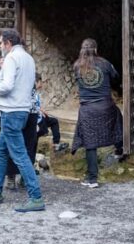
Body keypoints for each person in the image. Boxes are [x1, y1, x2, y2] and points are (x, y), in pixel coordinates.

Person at [0, 29, 44, 212]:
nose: (0, 46)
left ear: (8, 43)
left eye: (1, 42)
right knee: (2, 151)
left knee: (19, 155)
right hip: (22, 110)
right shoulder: (29, 58)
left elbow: (7, 86)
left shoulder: (11, 59)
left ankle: (36, 197)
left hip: (10, 111)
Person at [70, 38, 123, 189]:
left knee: (90, 143)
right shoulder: (105, 64)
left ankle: (92, 178)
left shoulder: (76, 66)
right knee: (118, 121)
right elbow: (116, 77)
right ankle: (120, 150)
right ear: (96, 49)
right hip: (105, 105)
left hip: (87, 109)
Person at [5, 78, 39, 190]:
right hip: (30, 111)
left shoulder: (14, 73)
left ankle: (13, 178)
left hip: (17, 110)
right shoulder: (29, 68)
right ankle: (24, 178)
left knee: (14, 145)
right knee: (28, 147)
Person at [34, 73, 66, 152]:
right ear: (36, 82)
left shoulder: (36, 93)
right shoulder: (30, 93)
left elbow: (37, 105)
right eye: (40, 82)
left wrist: (42, 110)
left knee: (54, 121)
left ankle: (56, 144)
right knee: (34, 139)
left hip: (40, 117)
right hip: (36, 120)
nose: (41, 84)